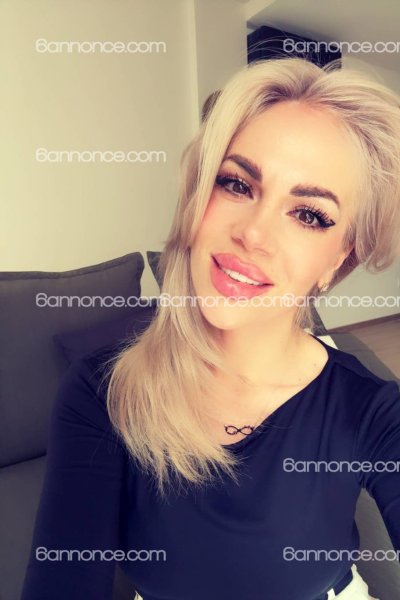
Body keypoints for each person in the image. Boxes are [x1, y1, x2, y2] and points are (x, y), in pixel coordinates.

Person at [21, 57, 400, 600]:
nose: (253, 233)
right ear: (197, 195)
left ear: (338, 260)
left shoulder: (372, 410)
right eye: (236, 184)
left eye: (309, 214)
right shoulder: (103, 393)